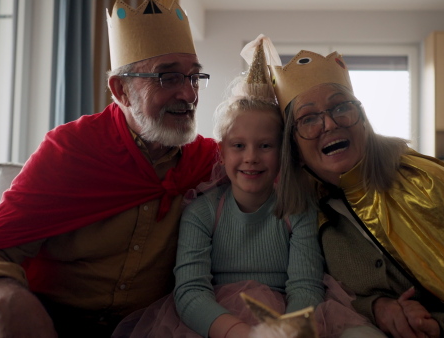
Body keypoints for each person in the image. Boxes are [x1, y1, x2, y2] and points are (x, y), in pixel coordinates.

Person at [0, 0, 218, 337]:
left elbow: (275, 167)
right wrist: (8, 300)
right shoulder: (71, 151)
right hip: (50, 322)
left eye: (193, 76)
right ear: (121, 91)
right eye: (168, 77)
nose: (189, 93)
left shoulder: (209, 162)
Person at [112, 35, 385, 338]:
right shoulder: (201, 212)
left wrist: (289, 329)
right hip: (217, 320)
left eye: (265, 145)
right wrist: (237, 331)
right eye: (239, 145)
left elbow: (304, 285)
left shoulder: (297, 210)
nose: (251, 158)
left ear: (283, 152)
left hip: (290, 315)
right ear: (222, 151)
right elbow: (191, 290)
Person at [267, 47, 444, 337]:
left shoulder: (425, 183)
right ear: (294, 148)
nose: (330, 123)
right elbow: (324, 292)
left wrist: (438, 326)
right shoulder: (309, 211)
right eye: (308, 118)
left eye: (341, 107)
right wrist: (377, 306)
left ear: (363, 119)